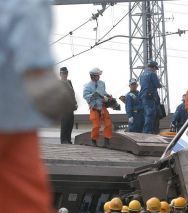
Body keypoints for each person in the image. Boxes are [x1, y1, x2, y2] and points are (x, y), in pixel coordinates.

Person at [0, 1, 74, 212]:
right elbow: (26, 19)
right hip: (11, 113)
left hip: (14, 118)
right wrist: (40, 74)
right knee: (25, 193)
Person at [83, 68, 113, 147]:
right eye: (97, 76)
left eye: (99, 75)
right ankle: (94, 140)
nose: (99, 77)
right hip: (94, 108)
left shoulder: (102, 83)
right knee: (96, 126)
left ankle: (107, 141)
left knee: (108, 124)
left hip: (102, 107)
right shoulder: (87, 86)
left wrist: (108, 96)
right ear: (92, 76)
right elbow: (85, 96)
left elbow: (104, 92)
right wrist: (93, 95)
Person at [139, 60, 162, 134]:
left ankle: (147, 130)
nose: (155, 70)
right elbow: (157, 85)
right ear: (154, 67)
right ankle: (147, 131)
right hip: (150, 96)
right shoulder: (152, 74)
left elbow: (141, 84)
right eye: (155, 68)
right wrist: (160, 84)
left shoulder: (142, 74)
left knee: (146, 114)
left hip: (143, 96)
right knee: (150, 114)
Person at [60, 67, 78, 144]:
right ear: (60, 74)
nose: (65, 75)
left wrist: (75, 103)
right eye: (63, 73)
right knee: (65, 123)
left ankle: (68, 139)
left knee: (70, 123)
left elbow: (72, 93)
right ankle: (63, 140)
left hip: (71, 106)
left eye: (66, 73)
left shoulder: (69, 82)